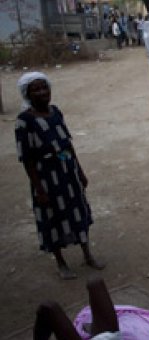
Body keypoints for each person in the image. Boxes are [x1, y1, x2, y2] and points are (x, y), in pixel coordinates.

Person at [15, 72, 105, 280]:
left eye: (44, 87)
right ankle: (61, 262)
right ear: (27, 94)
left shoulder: (55, 112)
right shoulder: (24, 122)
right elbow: (27, 158)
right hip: (46, 177)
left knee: (78, 212)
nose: (42, 92)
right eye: (35, 89)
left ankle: (87, 254)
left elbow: (68, 143)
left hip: (68, 172)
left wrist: (80, 171)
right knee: (52, 218)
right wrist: (39, 189)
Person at [34, 277, 149, 339]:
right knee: (95, 282)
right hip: (111, 337)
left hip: (108, 336)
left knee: (48, 307)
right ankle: (93, 330)